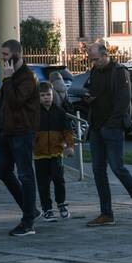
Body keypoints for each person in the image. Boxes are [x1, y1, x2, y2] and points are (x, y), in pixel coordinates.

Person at [84, 42, 132, 227]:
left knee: (117, 167)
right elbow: (95, 92)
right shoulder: (95, 71)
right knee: (98, 170)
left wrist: (111, 125)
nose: (94, 62)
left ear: (105, 55)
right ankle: (106, 213)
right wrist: (89, 98)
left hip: (112, 127)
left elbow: (123, 101)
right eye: (91, 59)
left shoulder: (119, 72)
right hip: (96, 126)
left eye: (96, 59)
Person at [0, 40, 40, 237]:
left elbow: (15, 103)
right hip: (7, 131)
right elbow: (4, 105)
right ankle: (30, 209)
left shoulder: (26, 77)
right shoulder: (12, 77)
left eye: (5, 55)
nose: (3, 59)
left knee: (25, 174)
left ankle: (28, 221)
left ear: (16, 54)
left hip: (22, 131)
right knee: (4, 171)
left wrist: (8, 79)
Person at [34, 82, 74, 222]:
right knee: (43, 183)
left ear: (53, 95)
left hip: (56, 153)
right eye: (43, 95)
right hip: (39, 154)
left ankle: (61, 204)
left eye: (48, 95)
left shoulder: (60, 112)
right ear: (38, 97)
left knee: (59, 179)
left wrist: (70, 146)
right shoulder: (35, 114)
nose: (46, 98)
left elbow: (67, 131)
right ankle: (47, 209)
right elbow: (30, 133)